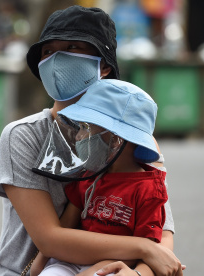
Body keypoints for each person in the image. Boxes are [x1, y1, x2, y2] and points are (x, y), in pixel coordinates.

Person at [0, 5, 183, 276]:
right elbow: (50, 239)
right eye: (48, 51)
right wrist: (143, 250)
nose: (57, 59)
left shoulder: (136, 141)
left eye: (72, 46)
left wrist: (140, 272)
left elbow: (160, 234)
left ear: (103, 65)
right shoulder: (23, 135)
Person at [31, 79, 169, 276]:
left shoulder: (148, 189)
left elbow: (147, 248)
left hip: (115, 266)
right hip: (71, 260)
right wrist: (41, 260)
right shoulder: (90, 177)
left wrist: (99, 268)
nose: (78, 136)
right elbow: (66, 225)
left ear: (116, 139)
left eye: (86, 128)